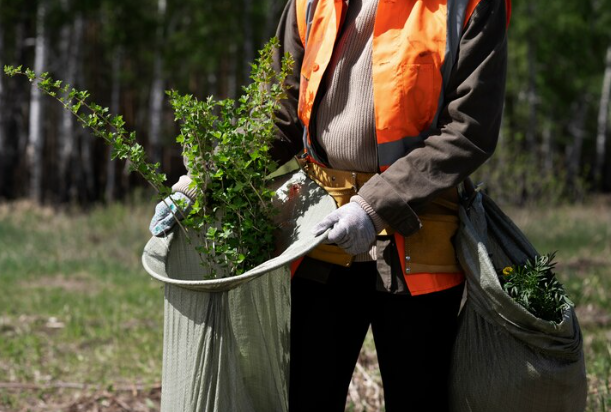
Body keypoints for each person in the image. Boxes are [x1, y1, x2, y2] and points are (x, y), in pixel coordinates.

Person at [150, 0, 510, 410]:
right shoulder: (310, 3)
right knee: (307, 395)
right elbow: (279, 115)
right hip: (319, 233)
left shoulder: (468, 6)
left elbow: (469, 130)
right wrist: (206, 181)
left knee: (419, 397)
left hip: (420, 239)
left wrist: (372, 206)